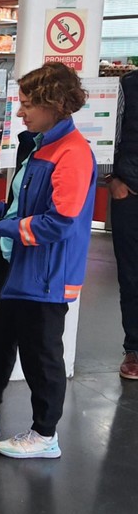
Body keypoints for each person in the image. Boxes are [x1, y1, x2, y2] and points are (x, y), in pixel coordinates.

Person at [0, 62, 96, 459]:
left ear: (55, 103)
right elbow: (21, 203)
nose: (21, 112)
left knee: (41, 355)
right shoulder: (42, 144)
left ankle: (45, 435)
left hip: (45, 274)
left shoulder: (73, 154)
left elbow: (59, 222)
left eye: (27, 104)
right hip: (18, 268)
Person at [112, 70, 138, 380]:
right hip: (129, 193)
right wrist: (112, 180)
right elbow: (108, 132)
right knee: (131, 274)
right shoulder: (127, 85)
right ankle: (134, 347)